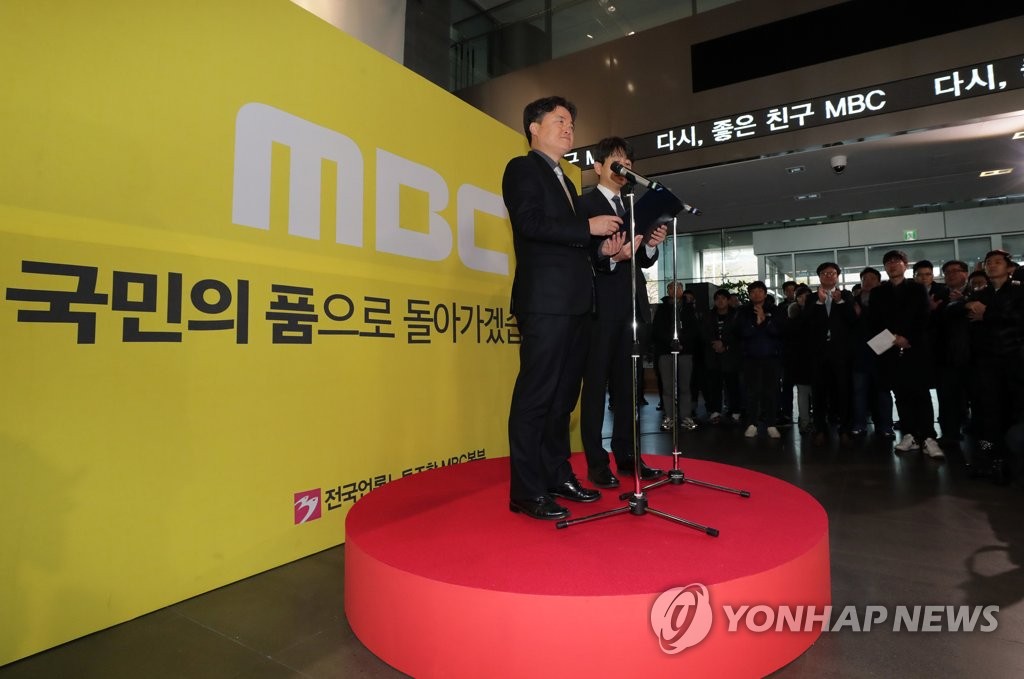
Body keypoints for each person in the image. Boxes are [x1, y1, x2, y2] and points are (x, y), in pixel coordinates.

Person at [503, 96, 626, 521]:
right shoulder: (522, 169)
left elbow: (572, 246)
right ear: (534, 128)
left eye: (571, 122)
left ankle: (556, 474)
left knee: (562, 400)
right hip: (545, 303)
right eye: (559, 120)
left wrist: (604, 252)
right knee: (536, 397)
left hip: (577, 305)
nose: (568, 128)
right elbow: (530, 224)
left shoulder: (567, 182)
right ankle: (526, 490)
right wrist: (586, 227)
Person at [578, 137, 666, 489]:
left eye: (627, 162)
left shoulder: (632, 205)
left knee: (629, 388)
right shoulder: (583, 205)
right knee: (595, 388)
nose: (623, 168)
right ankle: (597, 463)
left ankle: (628, 456)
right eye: (616, 162)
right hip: (598, 309)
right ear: (598, 166)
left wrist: (651, 247)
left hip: (632, 309)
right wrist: (610, 257)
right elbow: (579, 256)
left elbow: (641, 258)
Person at [867, 250, 943, 458]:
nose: (892, 265)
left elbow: (923, 316)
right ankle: (909, 434)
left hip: (914, 347)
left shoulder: (917, 288)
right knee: (900, 393)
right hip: (890, 349)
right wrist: (893, 337)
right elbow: (873, 321)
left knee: (920, 393)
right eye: (888, 262)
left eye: (896, 261)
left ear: (905, 265)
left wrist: (906, 337)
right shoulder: (878, 292)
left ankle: (928, 436)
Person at [964, 249, 1024, 483]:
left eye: (998, 262)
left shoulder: (1018, 290)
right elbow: (964, 309)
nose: (992, 265)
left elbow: (1018, 319)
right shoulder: (982, 293)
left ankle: (1011, 461)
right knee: (987, 413)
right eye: (988, 262)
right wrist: (973, 308)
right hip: (986, 361)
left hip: (1013, 360)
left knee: (1013, 410)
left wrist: (987, 314)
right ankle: (987, 457)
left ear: (1009, 268)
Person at [802, 261, 857, 445]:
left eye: (832, 273)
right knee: (818, 392)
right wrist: (819, 302)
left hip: (840, 352)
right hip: (818, 353)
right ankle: (820, 429)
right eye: (824, 273)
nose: (828, 276)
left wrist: (839, 302)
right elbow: (806, 321)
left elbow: (852, 320)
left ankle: (845, 429)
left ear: (837, 276)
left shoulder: (846, 295)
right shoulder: (811, 298)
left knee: (843, 391)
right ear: (819, 276)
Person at [734, 281, 784, 438]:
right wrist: (755, 324)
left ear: (765, 293)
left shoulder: (775, 310)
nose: (756, 294)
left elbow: (780, 331)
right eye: (753, 292)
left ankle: (771, 424)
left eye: (759, 291)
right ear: (749, 295)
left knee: (771, 392)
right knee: (752, 392)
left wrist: (765, 321)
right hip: (750, 358)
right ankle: (752, 424)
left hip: (771, 357)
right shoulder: (743, 311)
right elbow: (739, 332)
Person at [851, 267, 894, 438]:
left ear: (878, 282)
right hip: (859, 353)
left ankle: (886, 426)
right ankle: (860, 425)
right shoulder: (852, 301)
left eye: (872, 278)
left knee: (883, 392)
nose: (868, 281)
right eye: (865, 279)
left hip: (882, 353)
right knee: (859, 392)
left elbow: (889, 324)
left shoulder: (886, 300)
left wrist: (862, 314)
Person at [653, 281, 700, 434]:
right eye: (671, 288)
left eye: (678, 288)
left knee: (685, 386)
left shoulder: (689, 308)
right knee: (667, 387)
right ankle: (669, 416)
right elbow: (657, 330)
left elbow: (694, 330)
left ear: (682, 290)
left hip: (685, 352)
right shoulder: (661, 308)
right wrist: (671, 343)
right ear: (668, 291)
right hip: (666, 352)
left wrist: (681, 343)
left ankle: (686, 417)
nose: (675, 290)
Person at [701, 288, 741, 425]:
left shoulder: (736, 315)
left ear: (728, 300)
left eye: (723, 298)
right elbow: (703, 332)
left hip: (730, 356)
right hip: (713, 355)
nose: (720, 301)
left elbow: (738, 334)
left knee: (732, 385)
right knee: (714, 385)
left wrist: (725, 344)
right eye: (717, 299)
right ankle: (715, 411)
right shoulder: (708, 315)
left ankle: (735, 411)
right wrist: (714, 343)